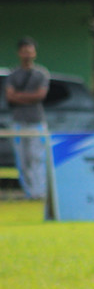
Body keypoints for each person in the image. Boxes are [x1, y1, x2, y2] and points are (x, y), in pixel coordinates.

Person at [5, 37, 50, 199]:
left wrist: (19, 96)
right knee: (23, 160)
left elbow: (40, 95)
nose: (27, 54)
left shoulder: (41, 73)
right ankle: (29, 193)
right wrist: (28, 97)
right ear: (19, 53)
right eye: (24, 50)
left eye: (30, 50)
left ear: (35, 53)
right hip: (18, 122)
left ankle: (40, 192)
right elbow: (9, 96)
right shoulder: (13, 74)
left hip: (36, 122)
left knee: (37, 158)